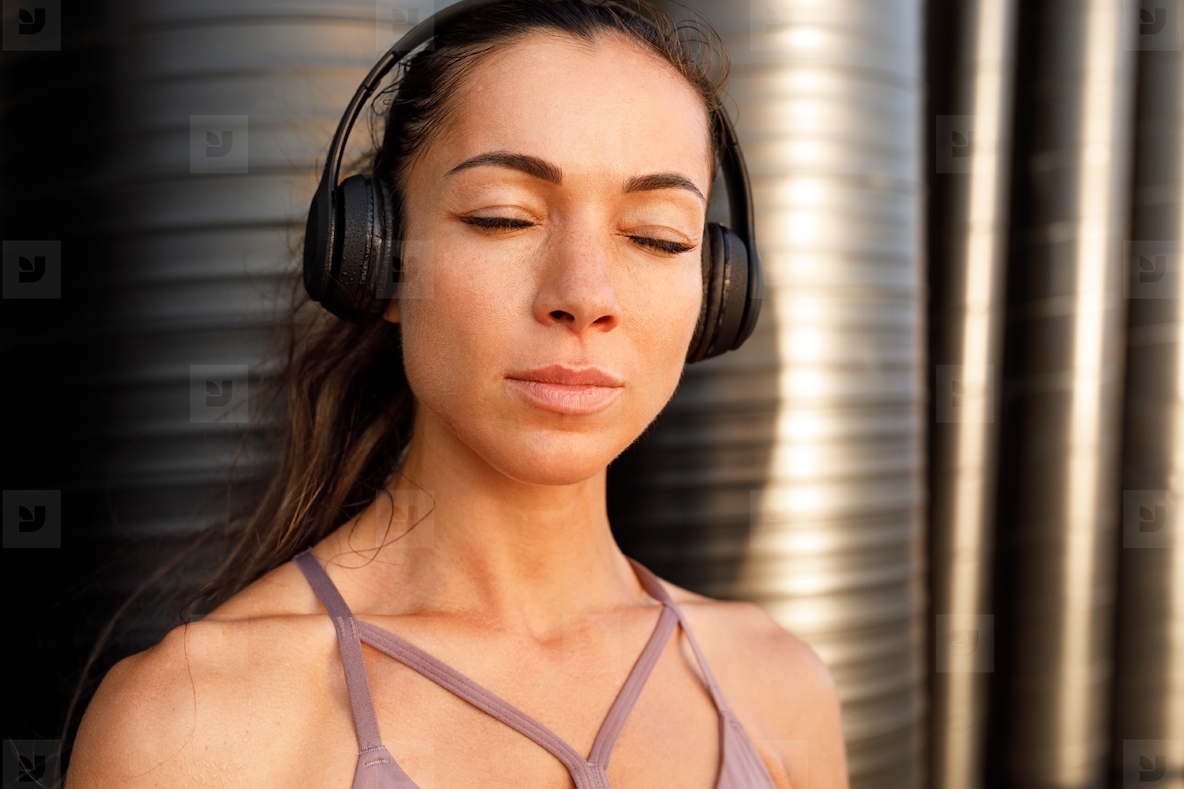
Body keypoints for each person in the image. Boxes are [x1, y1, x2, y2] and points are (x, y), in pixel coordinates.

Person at [65, 1, 848, 786]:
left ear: (716, 293)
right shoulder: (190, 725)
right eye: (503, 218)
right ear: (377, 260)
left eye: (657, 236)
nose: (584, 295)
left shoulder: (780, 687)